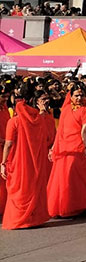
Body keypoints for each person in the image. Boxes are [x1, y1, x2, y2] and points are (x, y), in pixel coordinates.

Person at [2, 95, 54, 230]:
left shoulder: (13, 122)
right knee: (34, 187)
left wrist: (3, 162)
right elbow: (48, 138)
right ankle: (34, 218)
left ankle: (19, 218)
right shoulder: (38, 122)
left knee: (19, 189)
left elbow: (8, 144)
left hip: (18, 161)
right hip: (36, 161)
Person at [47, 86, 86, 219]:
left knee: (63, 178)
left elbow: (60, 130)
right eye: (76, 95)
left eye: (81, 95)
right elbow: (85, 129)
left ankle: (61, 207)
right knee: (77, 179)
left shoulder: (67, 110)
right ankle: (75, 206)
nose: (79, 98)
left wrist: (54, 147)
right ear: (71, 97)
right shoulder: (85, 110)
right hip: (76, 149)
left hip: (65, 149)